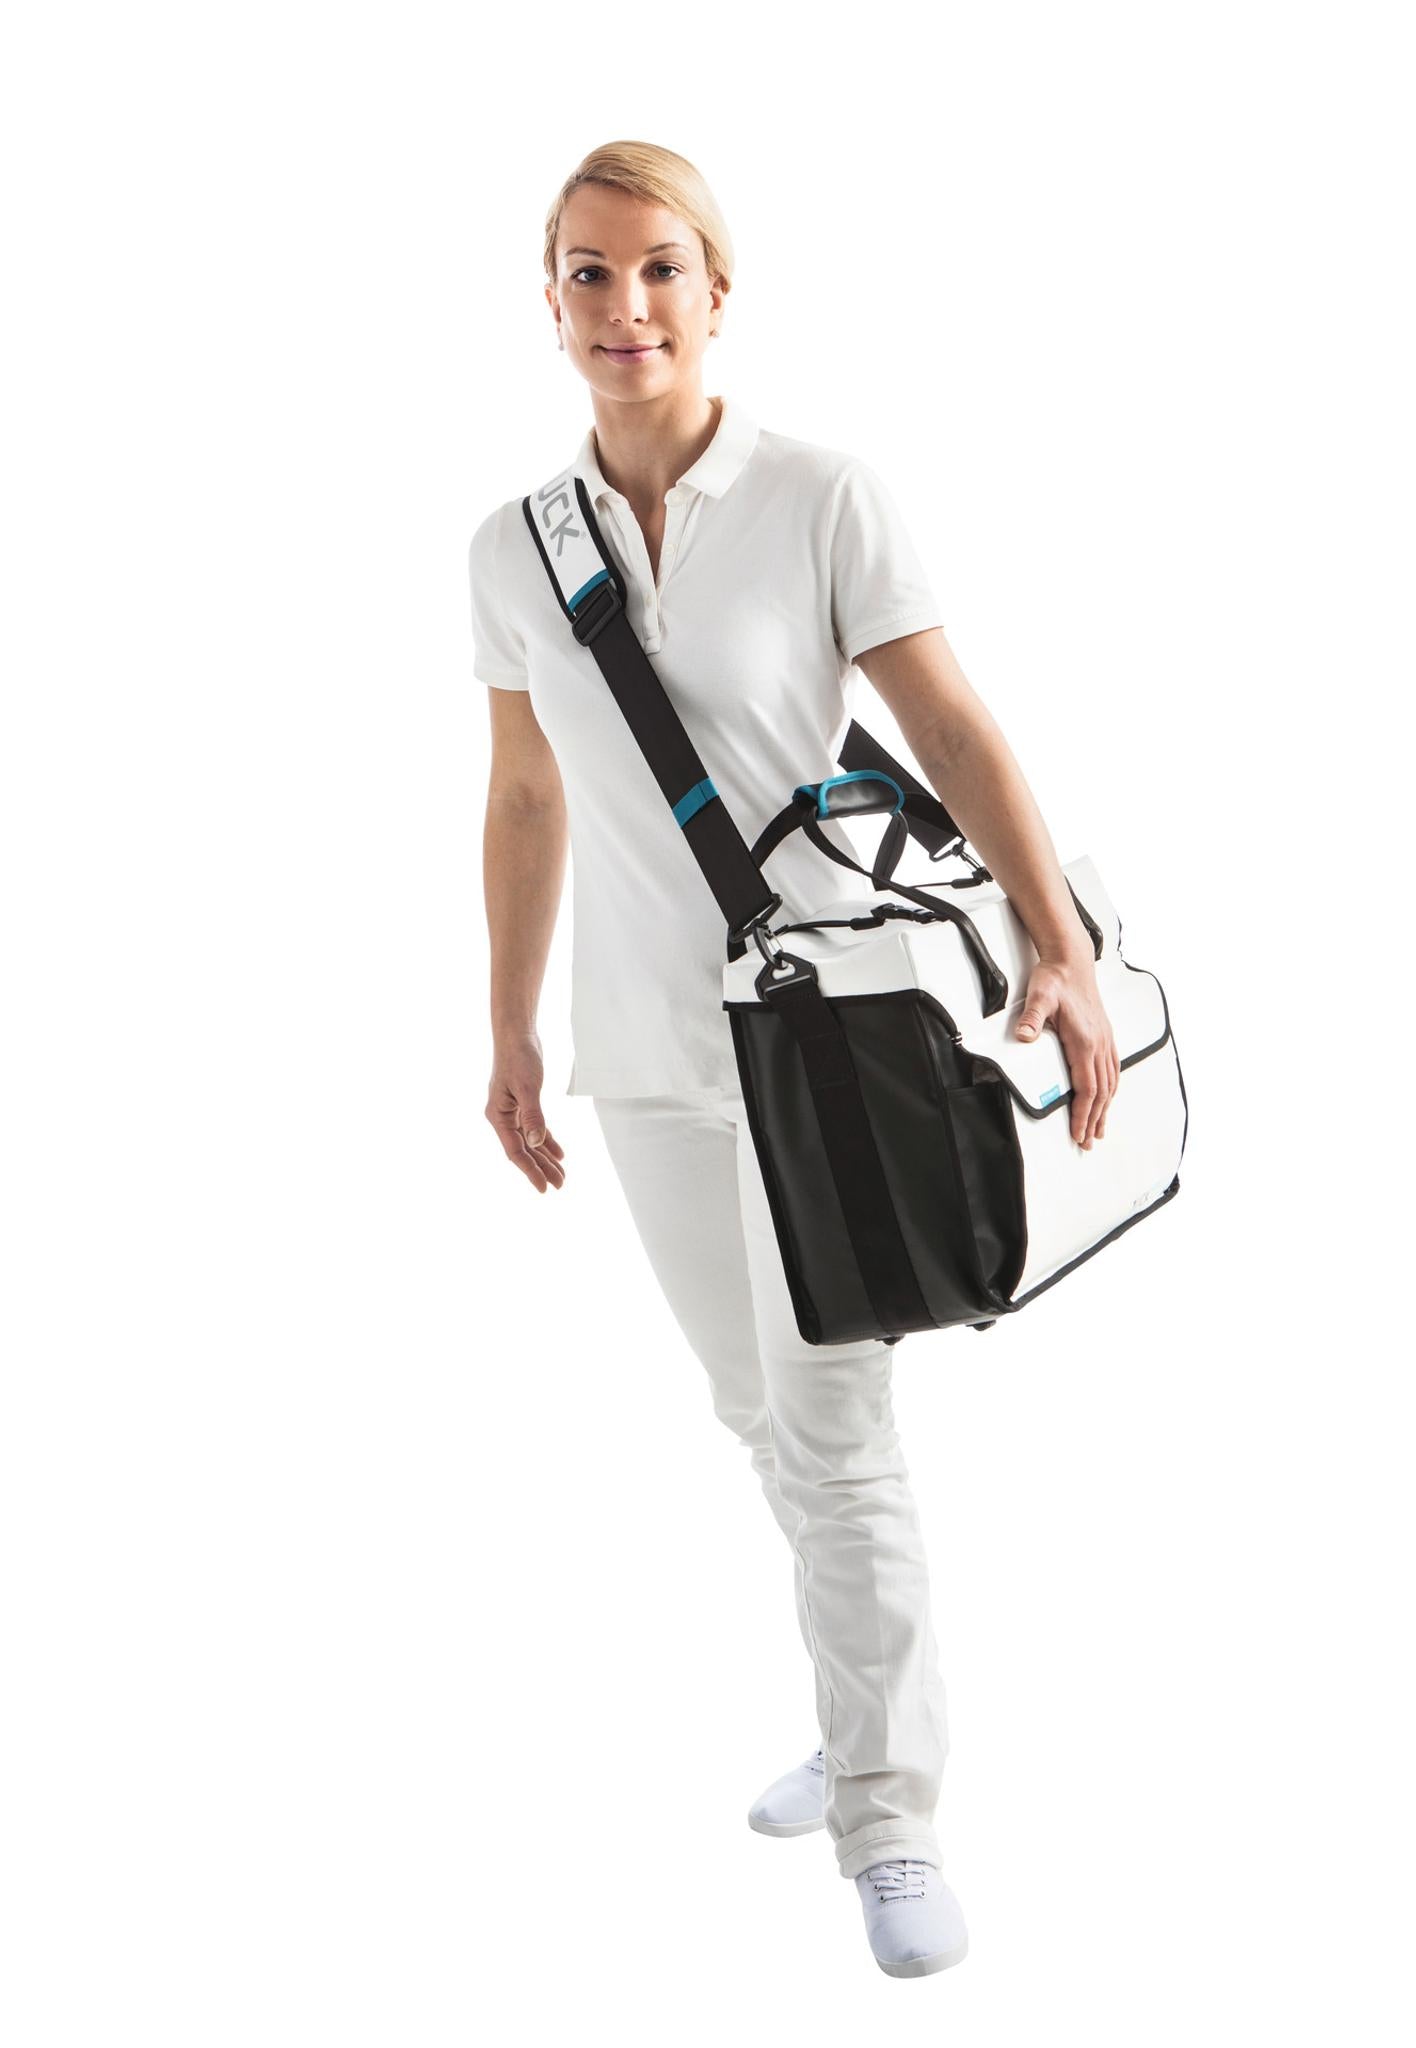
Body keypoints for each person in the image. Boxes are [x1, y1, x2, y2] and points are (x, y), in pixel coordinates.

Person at [466, 141, 1122, 1980]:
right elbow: (524, 797)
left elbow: (953, 728)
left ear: (718, 289)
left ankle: (890, 1814)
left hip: (823, 1042)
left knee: (831, 1422)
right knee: (758, 1410)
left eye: (660, 269)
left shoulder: (825, 496)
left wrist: (1060, 946)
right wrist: (508, 1024)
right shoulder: (514, 549)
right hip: (643, 1053)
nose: (626, 307)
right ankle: (859, 1708)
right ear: (550, 299)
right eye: (589, 274)